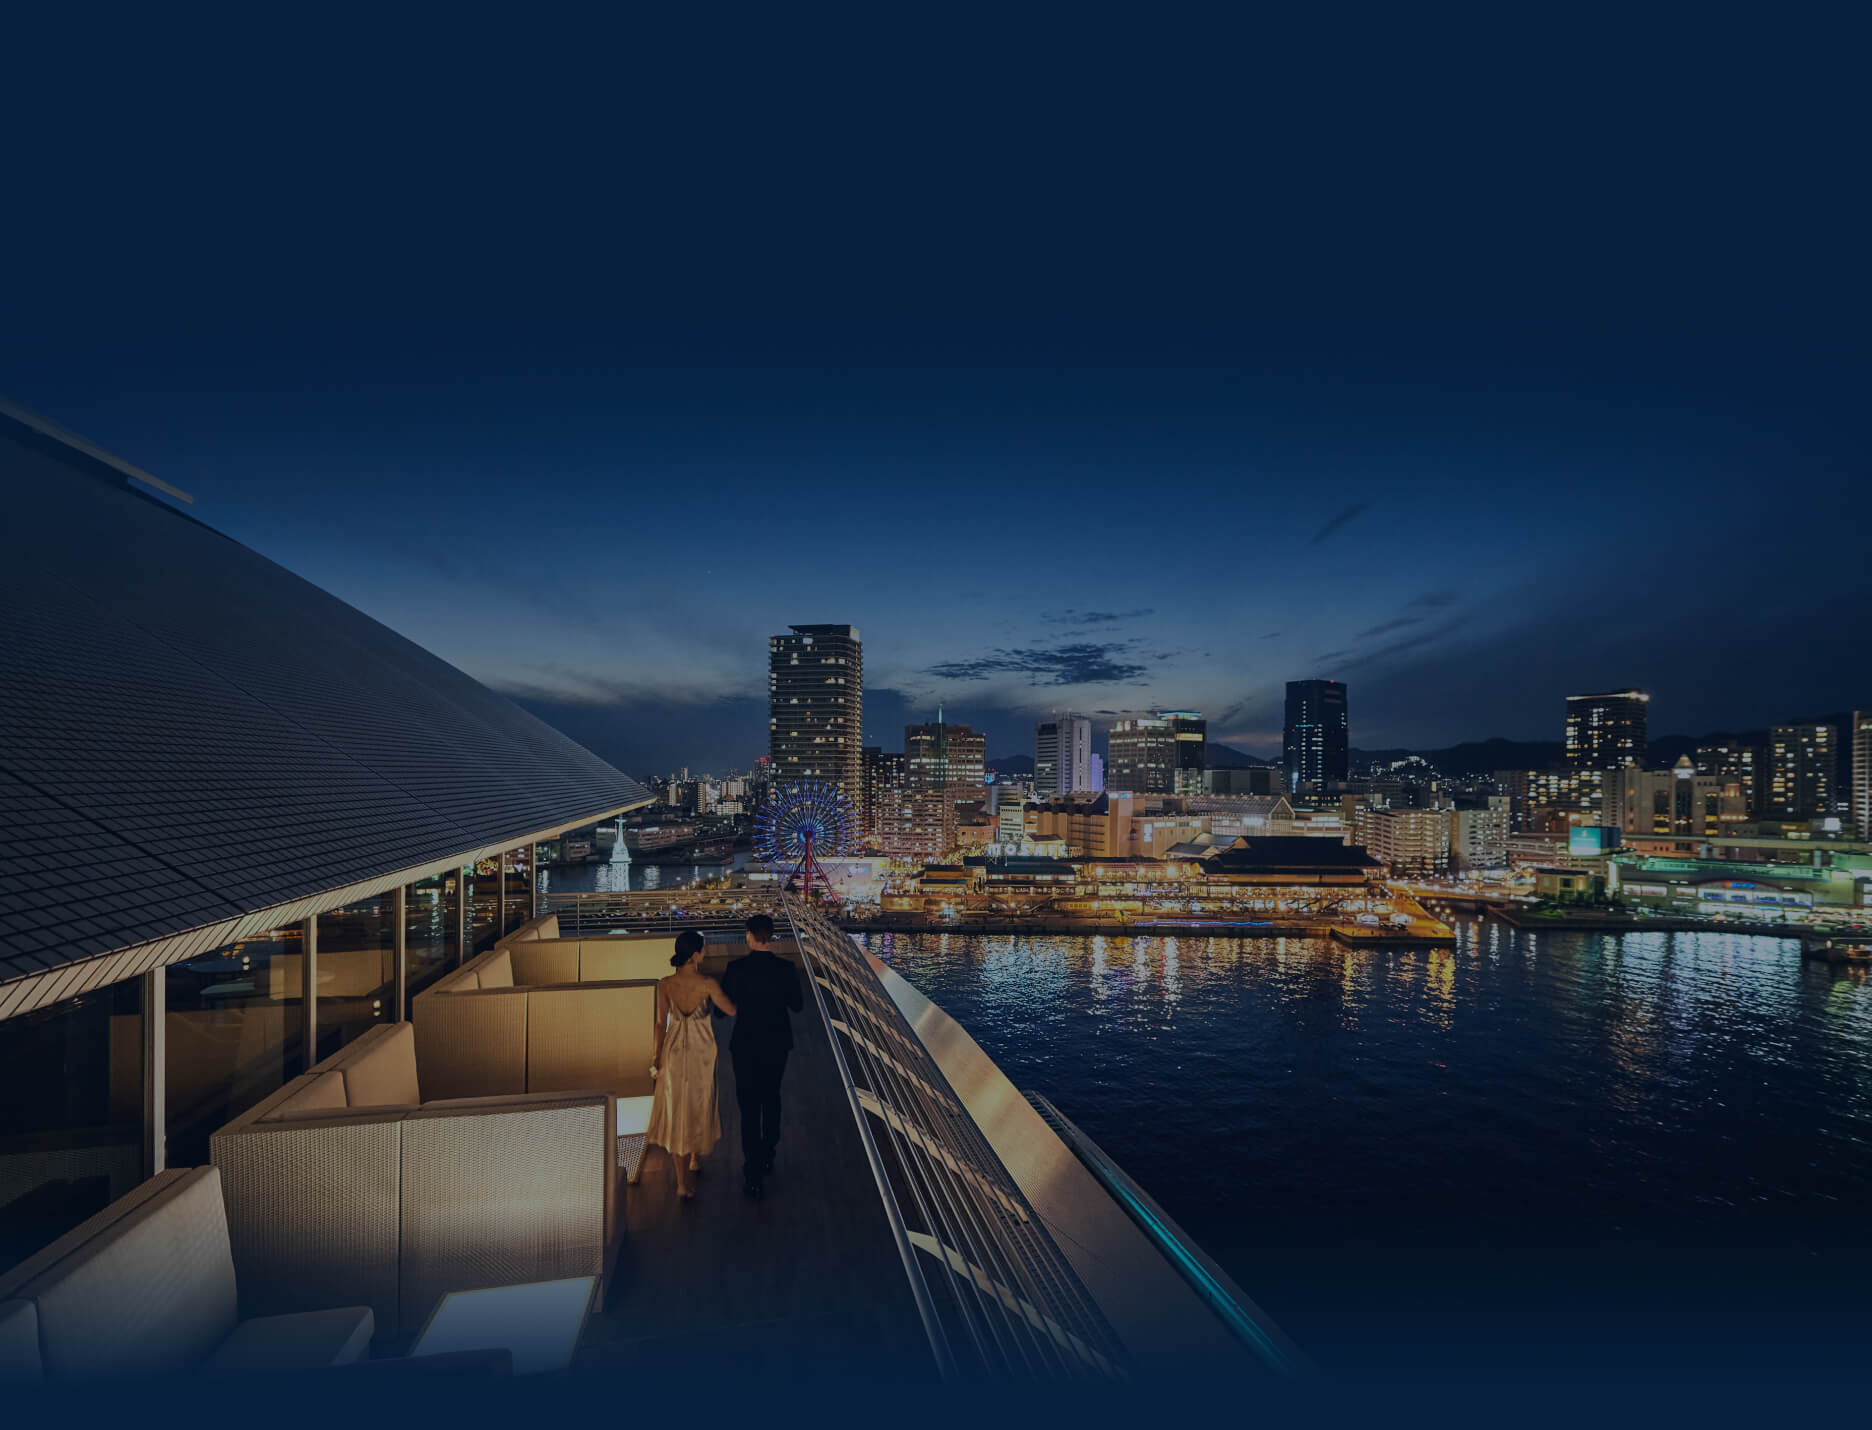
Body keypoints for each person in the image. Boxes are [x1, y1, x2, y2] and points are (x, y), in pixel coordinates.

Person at [643, 929, 735, 1200]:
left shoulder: (665, 984)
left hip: (673, 1051)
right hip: (701, 1051)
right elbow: (731, 1010)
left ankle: (682, 1183)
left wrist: (655, 1057)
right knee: (698, 1101)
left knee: (676, 1110)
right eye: (703, 949)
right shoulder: (708, 984)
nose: (705, 953)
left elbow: (661, 1024)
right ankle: (695, 1157)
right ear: (695, 955)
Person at [719, 912, 802, 1199]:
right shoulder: (786, 968)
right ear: (772, 936)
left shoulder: (735, 968)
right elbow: (798, 1006)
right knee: (772, 1096)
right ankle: (769, 1150)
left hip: (745, 1044)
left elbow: (720, 1010)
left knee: (749, 1106)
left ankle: (752, 1172)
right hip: (777, 1042)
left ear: (750, 936)